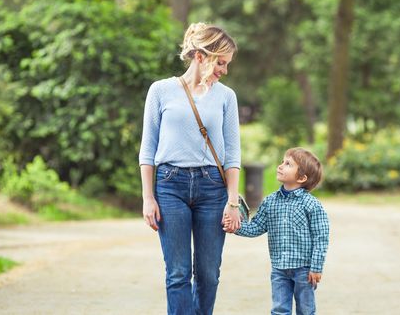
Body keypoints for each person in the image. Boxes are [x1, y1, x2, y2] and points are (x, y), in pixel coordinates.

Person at [139, 22, 242, 315]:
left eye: (227, 64)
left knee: (209, 274)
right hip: (170, 186)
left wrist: (232, 202)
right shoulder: (160, 91)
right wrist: (148, 197)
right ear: (200, 56)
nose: (224, 70)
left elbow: (232, 155)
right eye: (220, 62)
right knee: (178, 273)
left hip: (212, 188)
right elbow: (148, 150)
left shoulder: (226, 97)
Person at [225, 147, 330, 315]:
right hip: (279, 268)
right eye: (282, 162)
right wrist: (235, 226)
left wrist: (316, 267)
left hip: (304, 269)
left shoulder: (312, 205)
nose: (280, 166)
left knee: (306, 310)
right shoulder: (270, 202)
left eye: (288, 164)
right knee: (279, 309)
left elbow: (321, 237)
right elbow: (256, 227)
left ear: (302, 177)